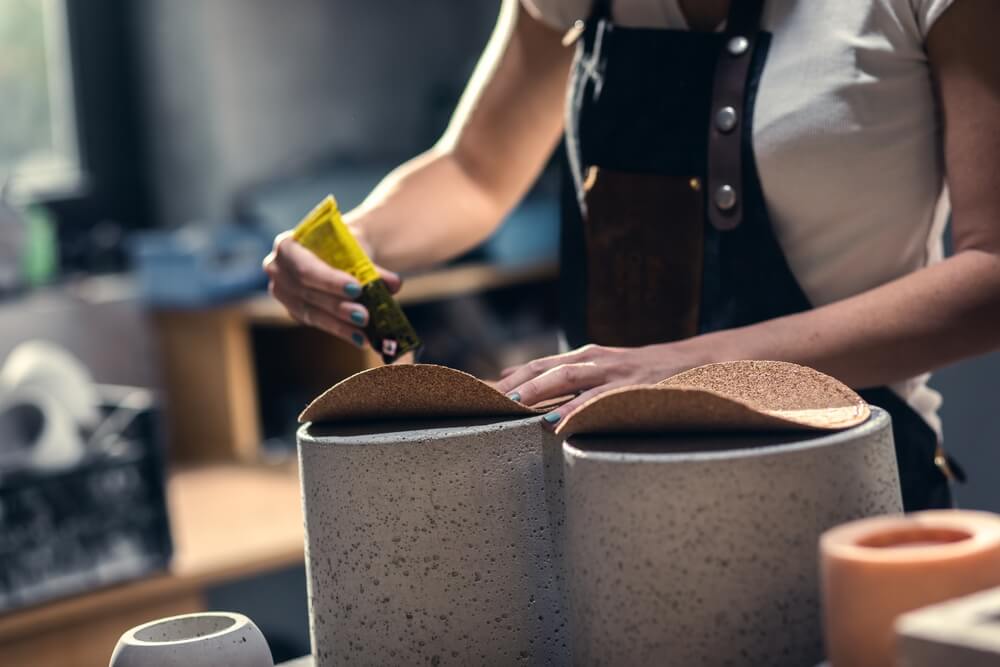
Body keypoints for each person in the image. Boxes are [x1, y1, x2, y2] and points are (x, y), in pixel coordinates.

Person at [264, 0, 1000, 511]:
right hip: (600, 491)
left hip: (843, 489)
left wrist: (691, 369)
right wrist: (348, 244)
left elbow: (990, 273)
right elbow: (476, 172)